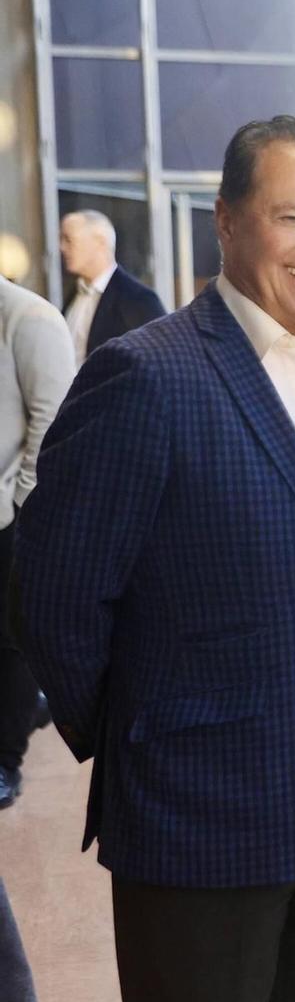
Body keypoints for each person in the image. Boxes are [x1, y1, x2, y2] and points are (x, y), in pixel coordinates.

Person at [15, 115, 295, 1002]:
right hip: (198, 814)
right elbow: (53, 590)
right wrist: (141, 731)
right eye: (292, 217)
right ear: (229, 222)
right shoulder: (149, 375)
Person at [0, 274, 75, 810]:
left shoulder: (29, 317)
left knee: (9, 643)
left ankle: (5, 761)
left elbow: (52, 424)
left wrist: (21, 507)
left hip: (9, 518)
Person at [58, 209, 165, 359]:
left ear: (100, 243)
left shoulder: (138, 298)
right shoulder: (75, 293)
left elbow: (157, 358)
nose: (61, 248)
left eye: (69, 240)